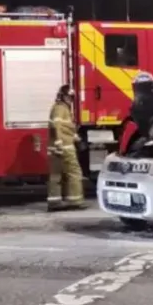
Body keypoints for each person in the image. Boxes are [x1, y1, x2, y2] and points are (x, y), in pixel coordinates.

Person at [47, 84, 86, 212]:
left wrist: (75, 136)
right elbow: (57, 126)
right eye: (69, 97)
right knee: (74, 173)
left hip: (57, 146)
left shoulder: (58, 107)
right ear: (63, 96)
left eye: (71, 97)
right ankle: (75, 201)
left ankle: (54, 202)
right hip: (65, 147)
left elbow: (64, 127)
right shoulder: (61, 109)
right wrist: (59, 141)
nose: (70, 100)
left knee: (56, 175)